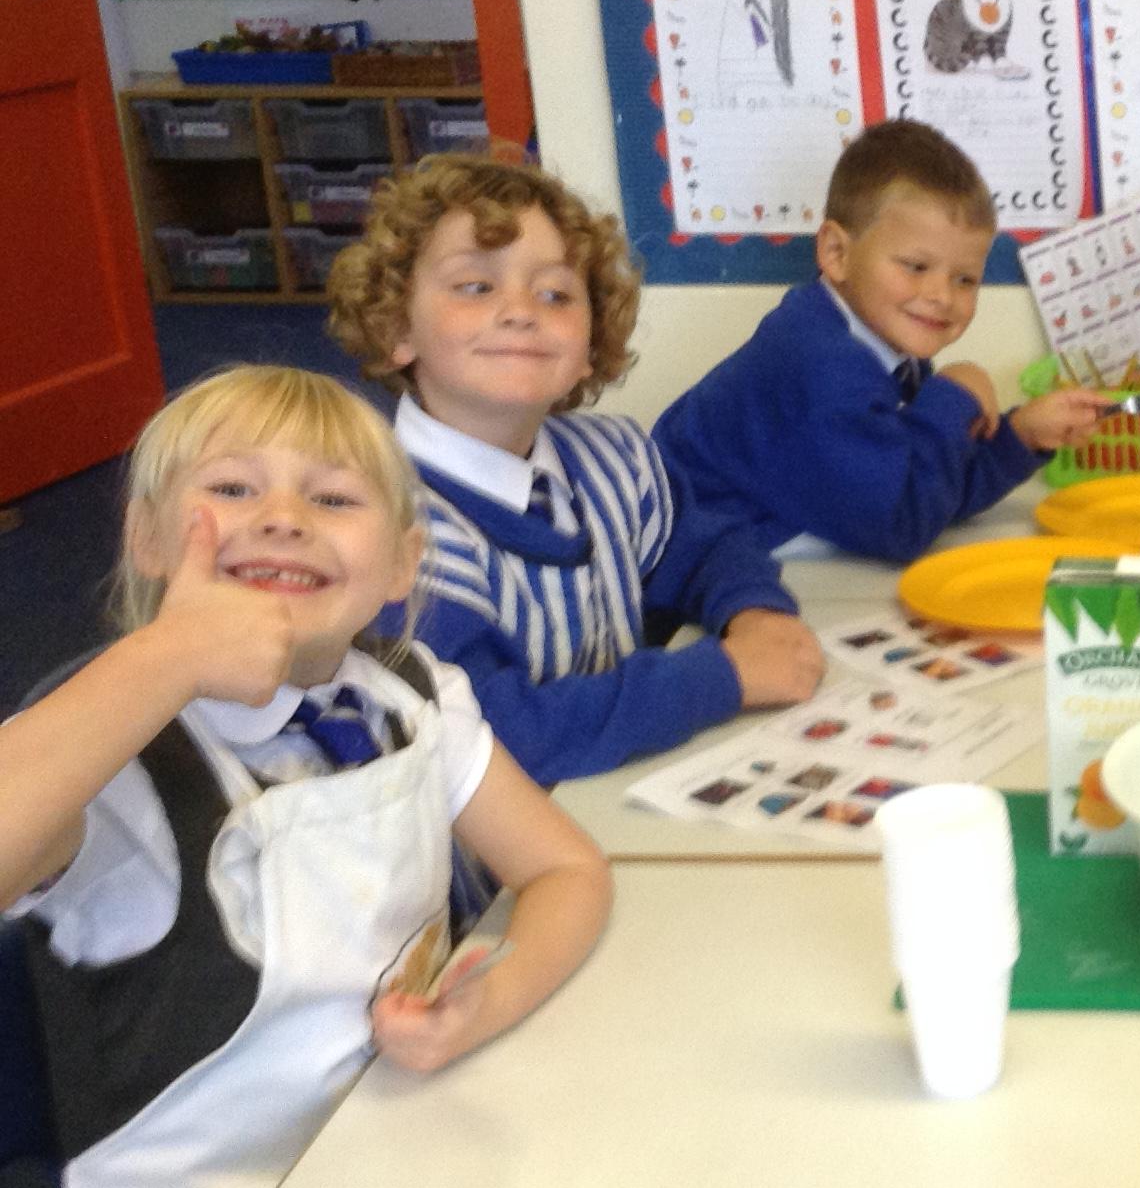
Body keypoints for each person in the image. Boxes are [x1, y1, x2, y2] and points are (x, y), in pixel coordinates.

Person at [0, 365, 624, 1188]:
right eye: (233, 490)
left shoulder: (409, 693)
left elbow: (564, 871)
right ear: (148, 539)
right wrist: (166, 658)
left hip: (389, 1158)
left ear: (400, 564)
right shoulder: (109, 750)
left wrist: (487, 996)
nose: (282, 516)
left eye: (331, 498)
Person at [327, 152, 823, 787]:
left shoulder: (615, 458)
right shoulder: (384, 529)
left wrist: (755, 612)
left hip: (608, 795)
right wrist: (722, 676)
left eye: (556, 294)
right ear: (398, 327)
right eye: (476, 286)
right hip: (481, 845)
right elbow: (497, 735)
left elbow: (706, 549)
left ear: (590, 345)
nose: (521, 310)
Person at [652, 118, 1103, 562]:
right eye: (915, 266)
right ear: (837, 254)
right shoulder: (818, 363)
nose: (942, 296)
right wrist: (955, 392)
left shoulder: (883, 353)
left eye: (965, 279)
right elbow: (901, 523)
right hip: (691, 581)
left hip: (781, 560)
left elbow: (930, 490)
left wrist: (1019, 436)